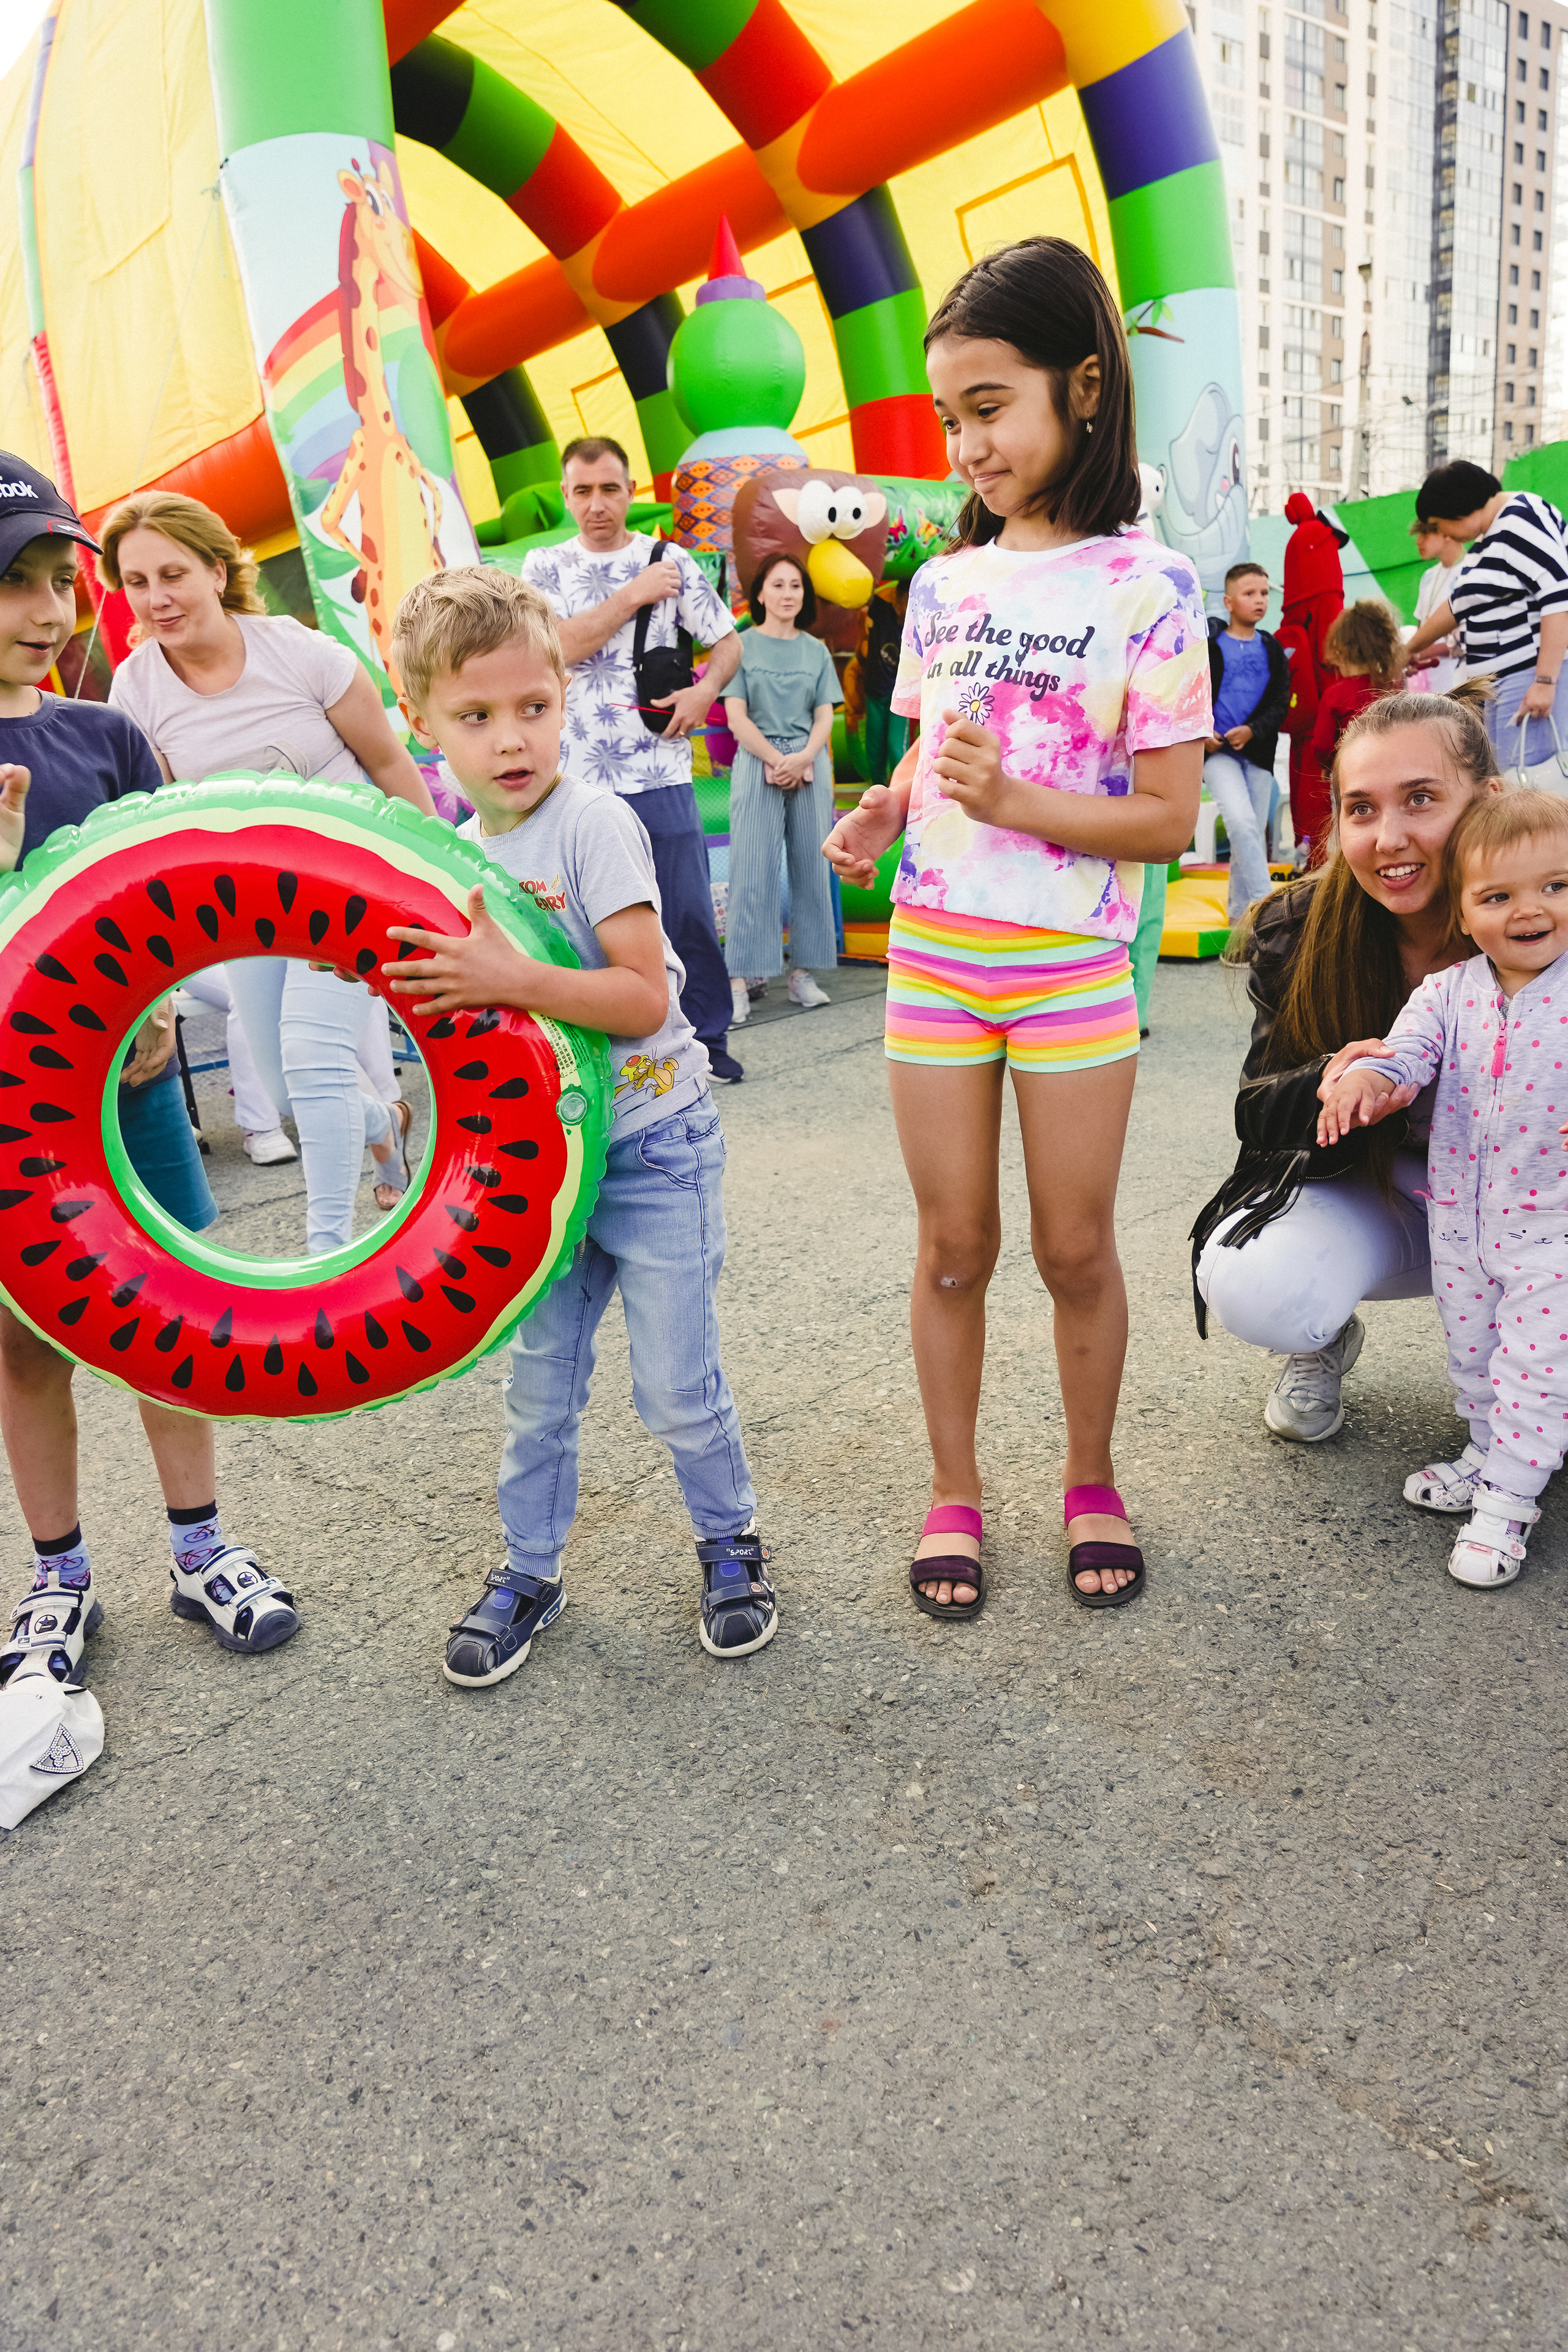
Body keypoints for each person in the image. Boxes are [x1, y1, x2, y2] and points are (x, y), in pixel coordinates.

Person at [823, 236, 1208, 1617]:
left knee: (1072, 1249)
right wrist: (884, 810)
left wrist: (1028, 801)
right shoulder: (944, 585)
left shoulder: (1148, 588)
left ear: (1082, 387)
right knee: (949, 1248)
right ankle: (953, 1492)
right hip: (934, 959)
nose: (966, 445)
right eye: (949, 417)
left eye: (989, 407)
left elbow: (1167, 820)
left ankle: (1090, 1480)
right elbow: (936, 762)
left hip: (1069, 972)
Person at [385, 567, 773, 1682]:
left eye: (533, 708)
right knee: (539, 1387)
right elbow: (466, 1036)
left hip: (653, 1148)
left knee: (674, 1385)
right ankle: (531, 1569)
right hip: (540, 1168)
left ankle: (728, 1540)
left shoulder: (591, 822)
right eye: (475, 717)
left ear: (563, 695)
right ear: (423, 725)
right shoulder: (454, 859)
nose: (512, 739)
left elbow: (645, 998)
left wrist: (511, 975)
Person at [0, 458, 293, 1771]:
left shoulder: (103, 735)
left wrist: (168, 993)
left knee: (172, 1312)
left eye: (57, 579)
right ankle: (58, 1574)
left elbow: (165, 889)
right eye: (14, 582)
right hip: (13, 1122)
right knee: (27, 1347)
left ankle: (199, 1546)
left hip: (133, 1091)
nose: (45, 606)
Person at [99, 492, 433, 1251]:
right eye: (137, 582)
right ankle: (388, 1121)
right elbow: (166, 823)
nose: (156, 599)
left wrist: (431, 885)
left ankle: (329, 1258)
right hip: (250, 907)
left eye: (173, 573)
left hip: (350, 887)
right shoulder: (136, 688)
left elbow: (393, 770)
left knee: (316, 1067)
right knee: (284, 1092)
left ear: (218, 570)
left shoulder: (301, 653)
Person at [1192, 688, 1503, 1442]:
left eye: (1421, 799)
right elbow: (1255, 1112)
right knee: (1255, 1282)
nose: (1388, 837)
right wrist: (1325, 1079)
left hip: (1528, 1204)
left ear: (1488, 800)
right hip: (1386, 1195)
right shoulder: (1296, 929)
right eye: (1361, 809)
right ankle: (1318, 1337)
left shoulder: (1547, 911)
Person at [1317, 787, 1568, 1589]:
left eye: (1557, 886)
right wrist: (1373, 1077)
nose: (1530, 910)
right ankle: (1487, 1452)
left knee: (1535, 1367)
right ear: (1462, 915)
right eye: (1498, 896)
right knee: (1475, 1357)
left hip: (1554, 1230)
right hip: (1461, 1218)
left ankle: (1505, 1507)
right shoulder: (1449, 993)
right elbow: (1407, 1051)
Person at [521, 437, 745, 1082]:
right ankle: (607, 1050)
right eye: (583, 491)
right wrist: (632, 595)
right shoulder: (544, 567)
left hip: (661, 767)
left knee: (687, 910)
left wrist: (706, 690)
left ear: (630, 491)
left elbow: (726, 642)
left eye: (610, 489)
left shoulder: (669, 560)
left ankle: (707, 1039)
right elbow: (553, 648)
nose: (597, 504)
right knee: (589, 921)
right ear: (566, 496)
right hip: (574, 780)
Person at [722, 551, 841, 1024]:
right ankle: (740, 981)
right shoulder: (740, 646)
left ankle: (803, 973)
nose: (788, 594)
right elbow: (736, 716)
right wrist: (776, 760)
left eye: (796, 586)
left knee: (814, 864)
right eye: (778, 585)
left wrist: (805, 757)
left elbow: (825, 712)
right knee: (751, 868)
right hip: (757, 761)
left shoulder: (816, 650)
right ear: (760, 593)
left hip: (810, 760)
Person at [1401, 459, 1568, 786]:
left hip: (1526, 680)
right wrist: (1410, 650)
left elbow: (1558, 595)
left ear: (1458, 509)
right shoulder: (1487, 542)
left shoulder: (1521, 519)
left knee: (1525, 794)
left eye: (1438, 524)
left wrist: (1545, 681)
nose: (1444, 534)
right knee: (1505, 787)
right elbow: (1457, 606)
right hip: (1502, 685)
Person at [1202, 560, 1292, 924]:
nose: (1259, 600)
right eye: (1249, 593)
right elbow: (1191, 694)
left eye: (1265, 593)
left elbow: (1280, 702)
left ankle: (1241, 924)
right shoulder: (1209, 646)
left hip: (1256, 753)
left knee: (1250, 833)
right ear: (1228, 602)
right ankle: (1266, 906)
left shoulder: (1272, 649)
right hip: (1216, 751)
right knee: (1240, 823)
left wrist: (1253, 730)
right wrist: (1202, 730)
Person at [1310, 600, 1400, 786]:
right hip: (1390, 770)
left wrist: (1329, 766)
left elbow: (1322, 745)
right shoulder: (1390, 689)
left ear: (1339, 650)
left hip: (1351, 774)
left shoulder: (1335, 696)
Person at [1407, 519, 1469, 695]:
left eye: (1425, 534)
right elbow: (1421, 632)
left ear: (1446, 534)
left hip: (1458, 680)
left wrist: (1414, 654)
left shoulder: (1470, 573)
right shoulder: (1428, 576)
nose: (1418, 541)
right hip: (1427, 682)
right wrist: (1413, 659)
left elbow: (1468, 638)